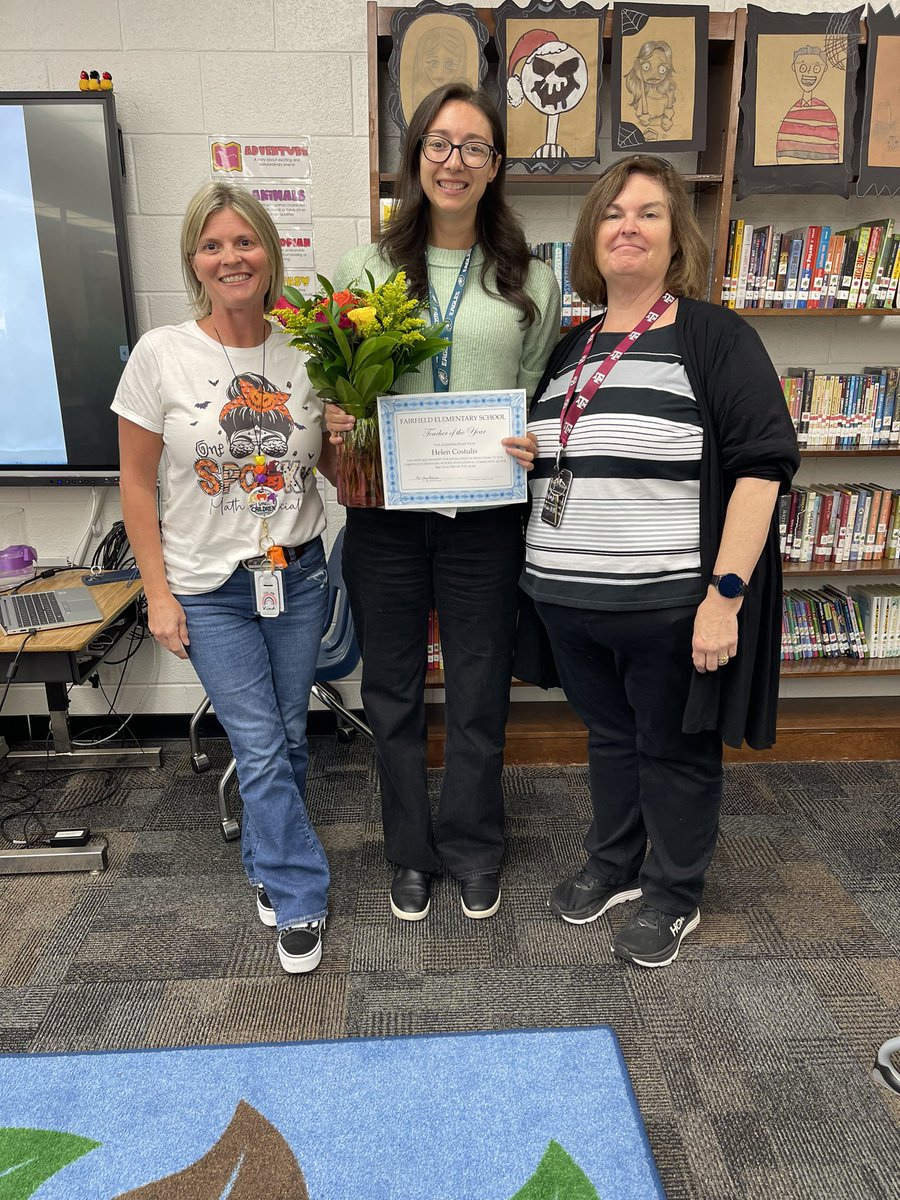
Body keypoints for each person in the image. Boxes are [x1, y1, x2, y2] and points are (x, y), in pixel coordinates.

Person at [522, 155, 799, 967]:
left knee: (674, 748)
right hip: (569, 602)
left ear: (675, 235)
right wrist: (525, 450)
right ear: (591, 235)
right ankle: (614, 865)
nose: (628, 227)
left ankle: (673, 893)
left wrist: (725, 595)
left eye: (648, 213)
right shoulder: (569, 350)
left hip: (671, 604)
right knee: (609, 738)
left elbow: (761, 465)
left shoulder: (713, 336)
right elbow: (570, 457)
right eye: (612, 214)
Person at [326, 83, 561, 923]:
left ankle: (472, 845)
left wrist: (530, 440)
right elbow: (343, 388)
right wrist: (338, 416)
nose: (453, 160)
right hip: (386, 521)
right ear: (415, 154)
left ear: (496, 167)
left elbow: (531, 394)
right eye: (439, 142)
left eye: (473, 147)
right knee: (389, 690)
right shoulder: (366, 269)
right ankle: (410, 853)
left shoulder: (532, 278)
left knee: (476, 688)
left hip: (485, 523)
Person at [113, 181, 336, 975]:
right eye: (213, 245)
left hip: (297, 575)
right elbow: (137, 485)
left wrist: (354, 427)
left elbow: (333, 469)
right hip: (209, 589)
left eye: (245, 242)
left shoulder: (309, 349)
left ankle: (266, 867)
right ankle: (303, 895)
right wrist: (158, 594)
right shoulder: (162, 354)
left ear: (271, 254)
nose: (230, 256)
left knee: (288, 740)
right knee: (261, 746)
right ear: (193, 262)